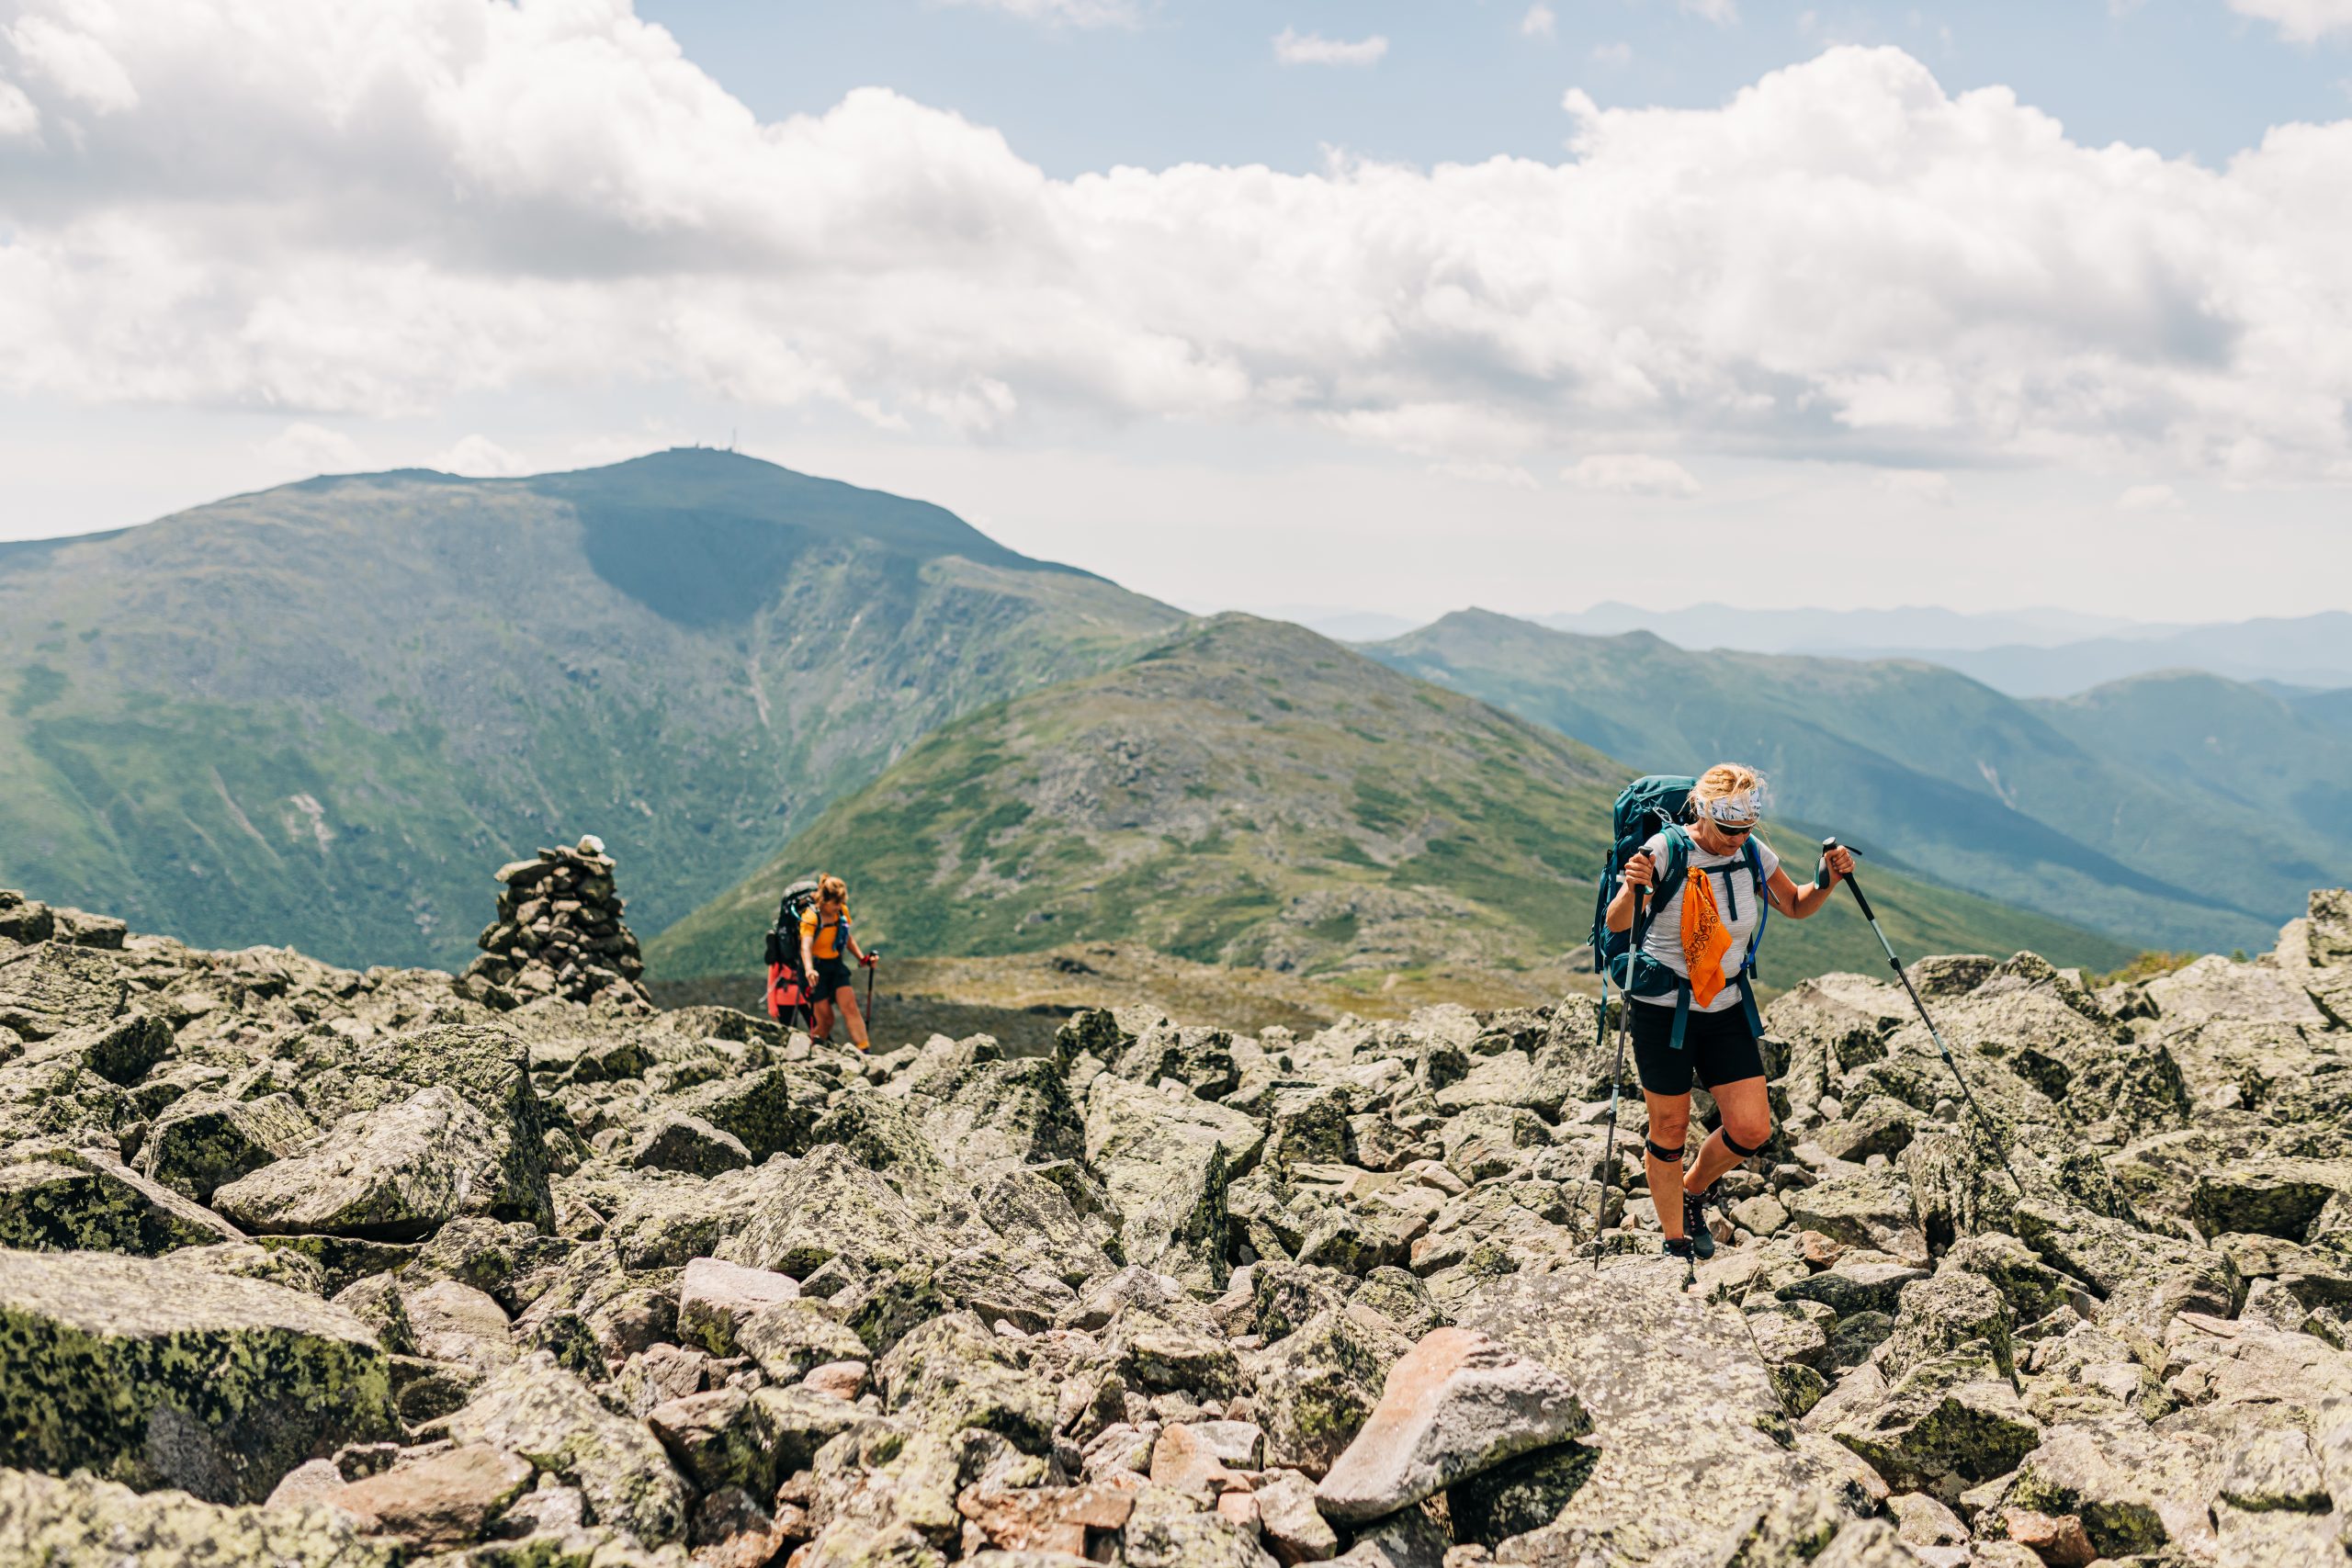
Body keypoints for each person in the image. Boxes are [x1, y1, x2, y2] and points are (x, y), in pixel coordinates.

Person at [1604, 763, 1854, 1264]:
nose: (1736, 840)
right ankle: (1675, 1241)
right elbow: (1617, 923)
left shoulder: (1752, 854)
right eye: (1728, 830)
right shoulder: (1665, 851)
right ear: (1703, 811)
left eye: (1745, 830)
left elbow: (1796, 905)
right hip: (1663, 1012)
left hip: (1725, 1006)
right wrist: (1633, 888)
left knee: (1752, 1129)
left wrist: (1826, 878)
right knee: (1669, 1129)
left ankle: (1694, 1189)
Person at [799, 874, 876, 1051]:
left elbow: (846, 937)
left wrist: (862, 958)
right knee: (826, 1021)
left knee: (850, 1007)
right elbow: (805, 945)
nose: (838, 907)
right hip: (815, 971)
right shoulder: (811, 917)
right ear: (824, 900)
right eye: (835, 903)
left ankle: (865, 1052)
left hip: (835, 965)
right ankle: (808, 1053)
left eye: (841, 903)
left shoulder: (841, 912)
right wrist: (809, 969)